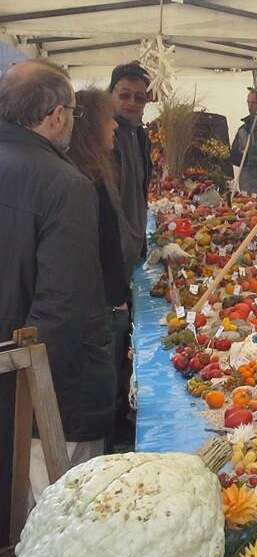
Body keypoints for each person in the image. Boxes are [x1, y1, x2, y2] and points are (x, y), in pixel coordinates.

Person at [0, 60, 112, 523]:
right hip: (45, 397)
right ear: (55, 115)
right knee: (49, 530)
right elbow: (66, 310)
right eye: (71, 110)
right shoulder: (64, 184)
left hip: (10, 373)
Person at [69, 89, 130, 453]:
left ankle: (113, 431)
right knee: (102, 378)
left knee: (109, 375)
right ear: (92, 126)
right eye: (109, 121)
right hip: (100, 306)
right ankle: (108, 440)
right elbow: (95, 247)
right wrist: (113, 297)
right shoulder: (83, 180)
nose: (115, 129)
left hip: (107, 300)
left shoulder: (94, 172)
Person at [109, 62, 153, 270]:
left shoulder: (141, 135)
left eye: (140, 97)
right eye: (124, 95)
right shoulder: (103, 136)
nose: (132, 103)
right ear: (111, 95)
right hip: (113, 245)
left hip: (134, 239)